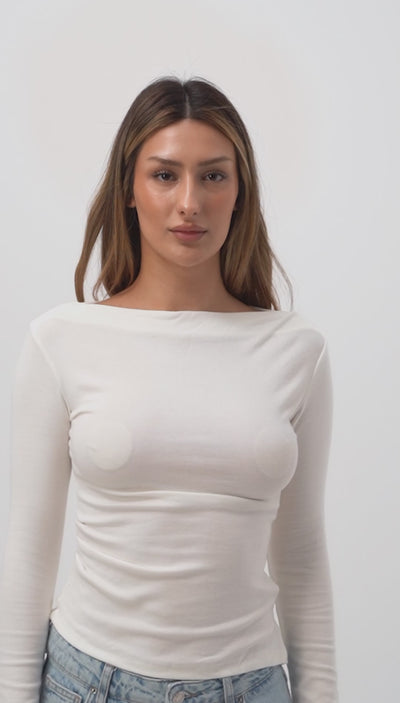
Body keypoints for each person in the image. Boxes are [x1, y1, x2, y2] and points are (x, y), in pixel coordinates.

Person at [0, 77, 339, 703]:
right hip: (88, 682)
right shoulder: (61, 340)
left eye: (213, 176)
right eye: (164, 175)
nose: (190, 202)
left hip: (251, 685)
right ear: (129, 190)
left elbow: (302, 556)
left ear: (240, 192)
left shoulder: (296, 350)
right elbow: (28, 553)